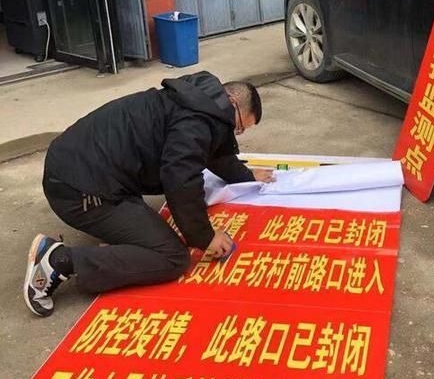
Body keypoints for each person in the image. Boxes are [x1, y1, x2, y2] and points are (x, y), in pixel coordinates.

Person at [23, 71, 273, 317]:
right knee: (172, 257)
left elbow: (212, 152)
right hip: (79, 190)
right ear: (231, 102)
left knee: (151, 232)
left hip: (82, 168)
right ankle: (59, 260)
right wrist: (205, 237)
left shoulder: (196, 101)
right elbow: (181, 180)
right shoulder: (197, 121)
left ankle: (119, 245)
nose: (234, 132)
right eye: (239, 127)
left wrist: (246, 176)